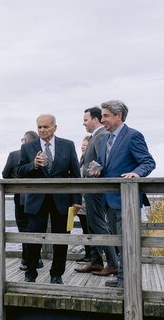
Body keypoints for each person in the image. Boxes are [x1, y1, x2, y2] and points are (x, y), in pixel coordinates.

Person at [91, 100, 156, 288]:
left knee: (128, 243)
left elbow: (148, 162)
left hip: (126, 200)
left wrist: (136, 173)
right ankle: (122, 278)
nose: (102, 119)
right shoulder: (103, 139)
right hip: (108, 199)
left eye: (105, 116)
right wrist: (97, 170)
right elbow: (106, 166)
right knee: (119, 242)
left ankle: (127, 281)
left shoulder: (133, 136)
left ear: (118, 116)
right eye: (102, 116)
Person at [17, 114, 82, 284]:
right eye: (39, 127)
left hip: (62, 199)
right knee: (33, 238)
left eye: (46, 127)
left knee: (61, 238)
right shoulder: (28, 147)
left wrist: (77, 200)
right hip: (36, 200)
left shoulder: (67, 145)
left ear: (54, 127)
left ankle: (57, 274)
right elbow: (19, 172)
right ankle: (30, 273)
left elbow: (75, 174)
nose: (42, 130)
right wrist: (34, 165)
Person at [75, 107, 120, 277]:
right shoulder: (96, 136)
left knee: (99, 223)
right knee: (93, 224)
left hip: (96, 188)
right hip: (90, 187)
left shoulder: (101, 136)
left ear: (95, 120)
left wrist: (88, 172)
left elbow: (101, 161)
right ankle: (96, 261)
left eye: (86, 119)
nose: (84, 123)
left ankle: (113, 263)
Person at [1, 130, 41, 271]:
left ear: (25, 141)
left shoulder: (14, 155)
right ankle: (37, 258)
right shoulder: (42, 154)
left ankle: (26, 259)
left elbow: (5, 175)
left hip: (20, 197)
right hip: (39, 197)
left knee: (24, 229)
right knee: (36, 229)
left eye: (22, 140)